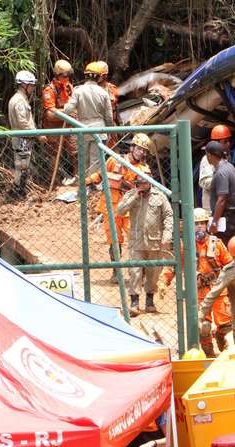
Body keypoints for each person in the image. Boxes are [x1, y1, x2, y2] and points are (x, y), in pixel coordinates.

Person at [165, 208, 233, 357]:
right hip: (200, 292)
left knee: (226, 325)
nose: (199, 227)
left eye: (202, 223)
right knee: (204, 327)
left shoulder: (217, 243)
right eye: (196, 224)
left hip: (219, 290)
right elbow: (175, 264)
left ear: (206, 225)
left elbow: (230, 264)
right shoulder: (186, 246)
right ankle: (210, 355)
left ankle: (224, 345)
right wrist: (165, 281)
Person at [85, 133, 152, 281]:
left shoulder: (144, 169)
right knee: (114, 239)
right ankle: (116, 271)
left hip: (132, 209)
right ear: (132, 147)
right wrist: (88, 181)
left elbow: (147, 189)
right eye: (140, 148)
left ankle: (141, 271)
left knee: (136, 239)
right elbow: (102, 174)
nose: (142, 152)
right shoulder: (115, 160)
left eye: (145, 150)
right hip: (111, 206)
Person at [117, 174, 173, 316]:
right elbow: (120, 211)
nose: (142, 185)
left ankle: (149, 300)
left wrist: (167, 236)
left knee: (153, 272)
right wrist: (135, 196)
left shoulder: (159, 196)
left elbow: (168, 216)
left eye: (144, 183)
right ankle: (134, 302)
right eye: (139, 183)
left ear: (150, 183)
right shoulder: (131, 195)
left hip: (155, 241)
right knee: (135, 271)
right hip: (136, 241)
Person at [63, 61, 114, 177]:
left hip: (83, 130)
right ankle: (93, 187)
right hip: (99, 130)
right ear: (99, 77)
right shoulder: (103, 93)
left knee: (83, 161)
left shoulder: (78, 91)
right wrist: (109, 130)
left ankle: (84, 188)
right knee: (96, 161)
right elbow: (109, 117)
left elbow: (67, 110)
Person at [8, 70, 47, 198]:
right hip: (22, 138)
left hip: (22, 138)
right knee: (22, 166)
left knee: (22, 165)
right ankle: (18, 193)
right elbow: (23, 123)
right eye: (31, 85)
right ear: (24, 85)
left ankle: (19, 192)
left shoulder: (20, 99)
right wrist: (37, 135)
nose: (32, 88)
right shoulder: (19, 101)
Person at [41, 59, 77, 177]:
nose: (67, 78)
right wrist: (66, 114)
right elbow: (49, 114)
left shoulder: (70, 87)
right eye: (65, 75)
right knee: (54, 156)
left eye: (69, 75)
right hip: (54, 129)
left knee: (76, 153)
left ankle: (78, 179)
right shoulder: (49, 90)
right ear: (57, 75)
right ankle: (54, 182)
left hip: (69, 127)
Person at [206, 141, 235, 244]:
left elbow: (221, 199)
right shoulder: (230, 166)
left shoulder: (221, 173)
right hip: (232, 214)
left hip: (226, 216)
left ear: (209, 155)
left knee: (221, 247)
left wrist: (215, 222)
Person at [199, 125, 234, 212]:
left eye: (229, 141)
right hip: (212, 209)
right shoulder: (207, 159)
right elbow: (204, 182)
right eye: (225, 141)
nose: (228, 144)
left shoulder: (228, 158)